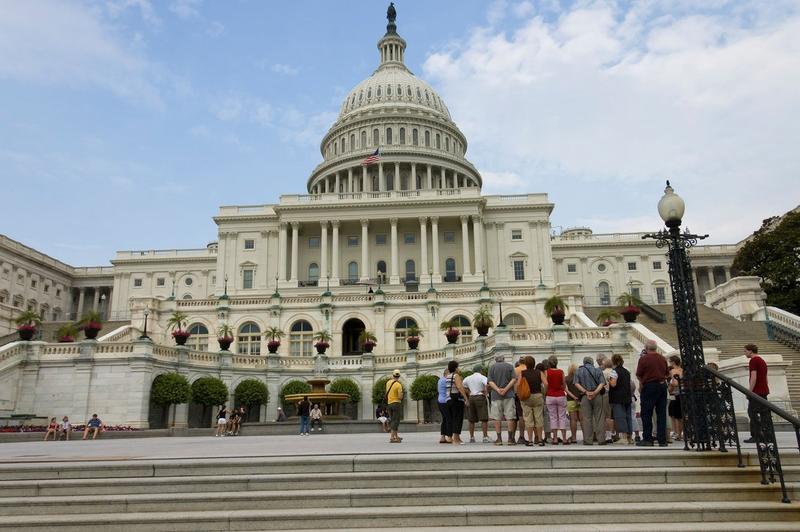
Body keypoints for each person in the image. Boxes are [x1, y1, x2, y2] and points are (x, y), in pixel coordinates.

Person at [636, 340, 669, 447]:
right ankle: (662, 440)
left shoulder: (644, 359)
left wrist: (642, 384)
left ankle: (648, 438)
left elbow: (639, 374)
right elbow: (667, 374)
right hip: (662, 386)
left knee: (646, 413)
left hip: (649, 386)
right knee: (661, 413)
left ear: (646, 348)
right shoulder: (662, 358)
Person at [573, 357, 607, 445]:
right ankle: (601, 439)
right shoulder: (598, 370)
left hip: (585, 396)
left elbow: (576, 383)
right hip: (598, 396)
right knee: (599, 418)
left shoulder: (578, 371)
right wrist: (595, 392)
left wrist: (586, 392)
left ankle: (588, 440)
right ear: (592, 363)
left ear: (584, 362)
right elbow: (602, 383)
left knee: (587, 419)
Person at [488, 355, 517, 445]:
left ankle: (499, 439)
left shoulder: (492, 367)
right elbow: (514, 379)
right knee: (510, 417)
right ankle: (510, 439)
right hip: (509, 395)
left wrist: (497, 389)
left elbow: (490, 381)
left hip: (496, 396)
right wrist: (506, 389)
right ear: (503, 359)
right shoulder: (510, 366)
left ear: (496, 360)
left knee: (497, 418)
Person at [743, 344, 769, 443]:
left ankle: (756, 435)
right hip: (764, 390)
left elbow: (754, 377)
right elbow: (765, 377)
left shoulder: (753, 361)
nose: (745, 353)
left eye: (745, 351)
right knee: (764, 414)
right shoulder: (762, 360)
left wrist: (750, 391)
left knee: (752, 413)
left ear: (750, 351)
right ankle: (767, 435)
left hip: (756, 391)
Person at [518, 356, 546, 446]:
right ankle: (540, 440)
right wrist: (544, 393)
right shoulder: (539, 372)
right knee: (539, 418)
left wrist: (519, 395)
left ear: (525, 364)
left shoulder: (522, 373)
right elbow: (546, 383)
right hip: (537, 395)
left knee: (528, 419)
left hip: (526, 397)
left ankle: (530, 440)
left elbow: (518, 385)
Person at [608, 354, 633, 444]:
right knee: (628, 417)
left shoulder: (614, 372)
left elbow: (613, 384)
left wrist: (609, 380)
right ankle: (630, 437)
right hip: (627, 397)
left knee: (620, 417)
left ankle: (624, 438)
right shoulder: (626, 371)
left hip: (617, 398)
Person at [462, 364, 490, 443]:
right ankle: (485, 437)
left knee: (471, 419)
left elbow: (463, 386)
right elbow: (488, 384)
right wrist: (486, 391)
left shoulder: (468, 378)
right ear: (480, 370)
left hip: (471, 398)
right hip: (480, 397)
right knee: (484, 418)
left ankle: (472, 437)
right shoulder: (482, 377)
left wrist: (469, 391)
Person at [445, 360, 470, 445]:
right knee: (458, 419)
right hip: (456, 400)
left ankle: (457, 438)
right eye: (458, 367)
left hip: (448, 400)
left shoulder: (448, 376)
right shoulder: (456, 376)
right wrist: (466, 398)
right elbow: (459, 387)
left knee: (453, 418)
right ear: (455, 368)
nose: (459, 368)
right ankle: (456, 439)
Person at [545, 355, 568, 445]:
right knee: (562, 417)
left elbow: (546, 385)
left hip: (550, 395)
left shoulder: (547, 372)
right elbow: (564, 384)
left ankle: (554, 438)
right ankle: (564, 438)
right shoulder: (561, 372)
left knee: (553, 417)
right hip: (560, 395)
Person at [667, 355, 684, 441]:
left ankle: (678, 434)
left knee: (676, 415)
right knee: (680, 415)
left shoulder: (673, 371)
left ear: (673, 362)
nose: (669, 363)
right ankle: (679, 433)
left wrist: (669, 388)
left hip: (675, 394)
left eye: (670, 361)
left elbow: (675, 383)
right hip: (682, 394)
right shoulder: (682, 370)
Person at [385, 369, 404, 443]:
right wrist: (402, 395)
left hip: (389, 403)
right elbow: (400, 397)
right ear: (399, 376)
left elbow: (387, 392)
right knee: (395, 421)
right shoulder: (398, 385)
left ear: (393, 375)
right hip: (396, 403)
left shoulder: (388, 383)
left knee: (393, 419)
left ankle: (396, 436)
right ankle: (392, 437)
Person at [437, 368, 452, 443]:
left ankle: (442, 437)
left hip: (440, 401)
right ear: (447, 373)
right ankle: (449, 437)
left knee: (445, 419)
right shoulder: (446, 380)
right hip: (445, 401)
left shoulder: (440, 380)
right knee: (449, 419)